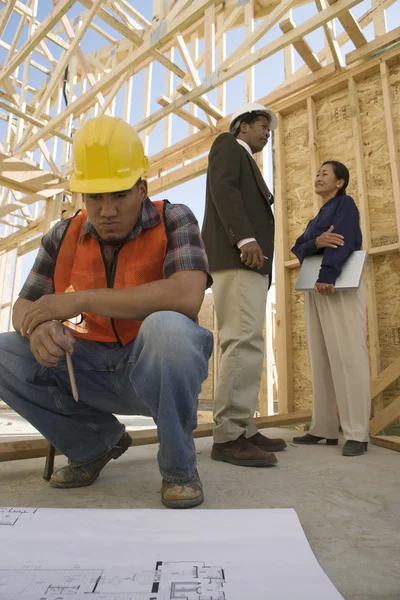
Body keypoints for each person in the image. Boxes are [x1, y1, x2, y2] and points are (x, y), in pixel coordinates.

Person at [0, 116, 214, 508]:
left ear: (142, 188)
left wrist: (82, 300)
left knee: (170, 329)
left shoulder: (174, 218)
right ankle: (92, 445)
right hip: (88, 370)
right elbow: (25, 304)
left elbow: (187, 295)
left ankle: (180, 468)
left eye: (118, 194)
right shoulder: (61, 235)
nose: (107, 209)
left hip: (152, 369)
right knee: (4, 350)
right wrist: (41, 326)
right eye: (94, 197)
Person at [201, 102, 287, 468]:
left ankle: (243, 425)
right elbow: (224, 191)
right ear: (242, 127)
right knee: (241, 340)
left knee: (249, 341)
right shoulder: (226, 145)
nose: (267, 132)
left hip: (250, 264)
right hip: (238, 257)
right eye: (262, 125)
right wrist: (244, 239)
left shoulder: (246, 158)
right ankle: (229, 436)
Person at [291, 161, 371, 457]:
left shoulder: (345, 204)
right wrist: (316, 241)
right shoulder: (318, 218)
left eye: (325, 173)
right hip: (316, 286)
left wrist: (327, 274)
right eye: (317, 172)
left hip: (336, 283)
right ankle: (323, 427)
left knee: (348, 356)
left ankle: (356, 432)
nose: (318, 176)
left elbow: (345, 240)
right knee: (321, 356)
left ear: (339, 182)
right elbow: (298, 248)